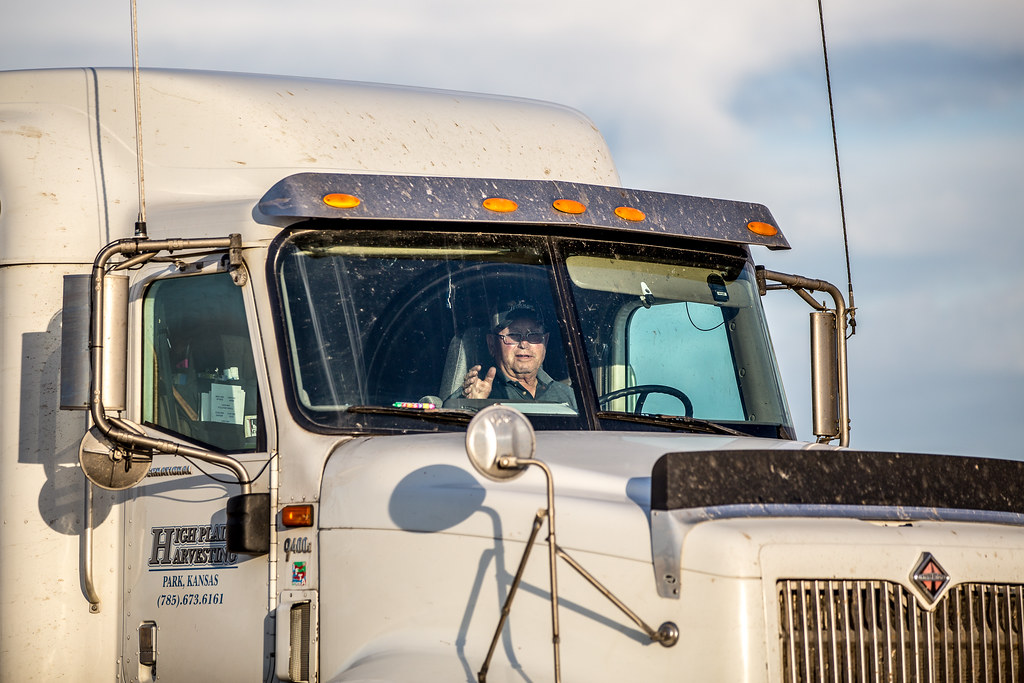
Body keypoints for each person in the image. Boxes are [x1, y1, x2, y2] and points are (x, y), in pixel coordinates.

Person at [457, 303, 576, 408]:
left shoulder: (569, 397)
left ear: (546, 341)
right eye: (513, 335)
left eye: (534, 335)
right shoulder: (476, 391)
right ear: (492, 344)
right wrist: (473, 406)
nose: (524, 344)